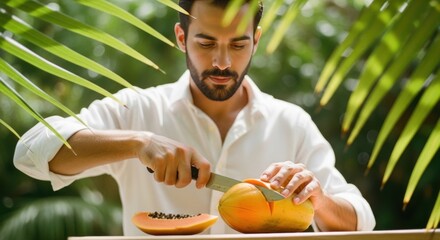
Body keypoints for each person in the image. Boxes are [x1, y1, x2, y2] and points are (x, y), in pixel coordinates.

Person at [14, 0, 376, 235]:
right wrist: (138, 143)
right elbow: (30, 153)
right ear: (180, 37)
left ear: (257, 38)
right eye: (206, 44)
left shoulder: (291, 124)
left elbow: (360, 222)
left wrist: (318, 200)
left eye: (238, 45)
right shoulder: (137, 110)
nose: (222, 62)